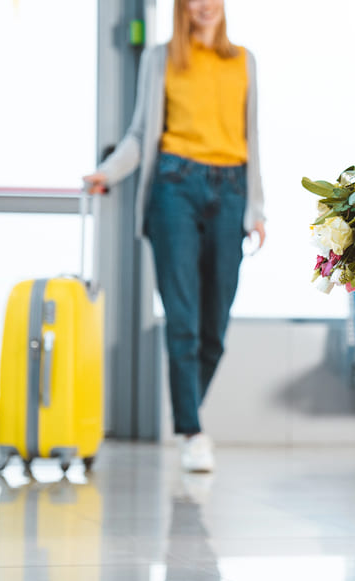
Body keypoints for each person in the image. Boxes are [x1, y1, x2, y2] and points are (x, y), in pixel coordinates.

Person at [84, 0, 265, 473]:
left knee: (215, 327)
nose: (205, 6)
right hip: (174, 188)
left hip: (231, 190)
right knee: (182, 318)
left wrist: (257, 207)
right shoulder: (161, 58)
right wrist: (106, 173)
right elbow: (142, 133)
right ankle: (192, 430)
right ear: (182, 6)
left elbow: (253, 140)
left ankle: (186, 409)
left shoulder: (244, 60)